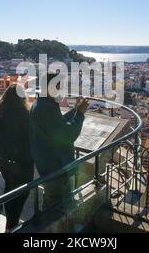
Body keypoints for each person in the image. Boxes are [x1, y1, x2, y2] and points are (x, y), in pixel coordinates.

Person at [29, 73, 88, 209]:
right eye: (59, 87)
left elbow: (58, 124)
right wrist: (79, 114)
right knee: (57, 206)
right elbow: (66, 136)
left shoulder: (43, 103)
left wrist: (75, 110)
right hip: (55, 167)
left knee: (52, 202)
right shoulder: (46, 108)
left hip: (49, 164)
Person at [0, 84, 34, 231]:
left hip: (2, 159)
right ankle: (12, 224)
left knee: (9, 188)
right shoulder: (26, 115)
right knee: (22, 192)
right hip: (21, 161)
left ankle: (10, 225)